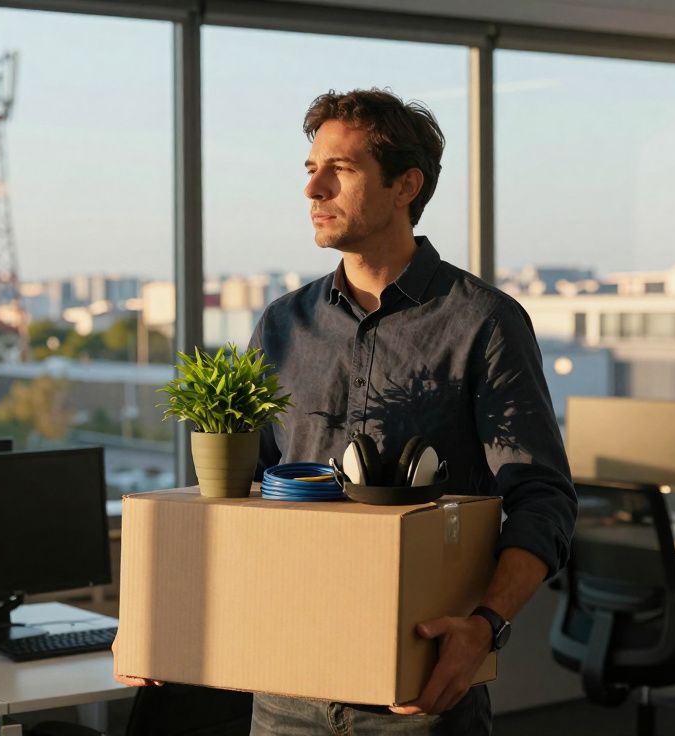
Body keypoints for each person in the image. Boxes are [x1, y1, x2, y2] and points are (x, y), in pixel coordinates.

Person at [119, 88, 576, 736]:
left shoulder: (483, 323)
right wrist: (155, 619)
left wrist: (485, 628)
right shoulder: (283, 326)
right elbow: (238, 500)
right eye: (310, 170)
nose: (314, 190)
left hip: (420, 696)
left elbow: (544, 499)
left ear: (404, 187)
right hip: (285, 693)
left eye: (341, 169)